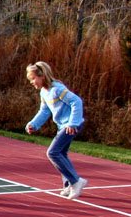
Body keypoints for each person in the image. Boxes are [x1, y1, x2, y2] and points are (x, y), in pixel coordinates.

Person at [25, 61, 88, 199]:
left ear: (42, 76)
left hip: (71, 125)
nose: (31, 82)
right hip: (63, 126)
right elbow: (44, 111)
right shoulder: (44, 92)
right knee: (61, 154)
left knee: (53, 153)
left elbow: (76, 101)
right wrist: (33, 124)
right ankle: (68, 185)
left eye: (33, 78)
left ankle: (76, 181)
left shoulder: (57, 89)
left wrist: (73, 123)